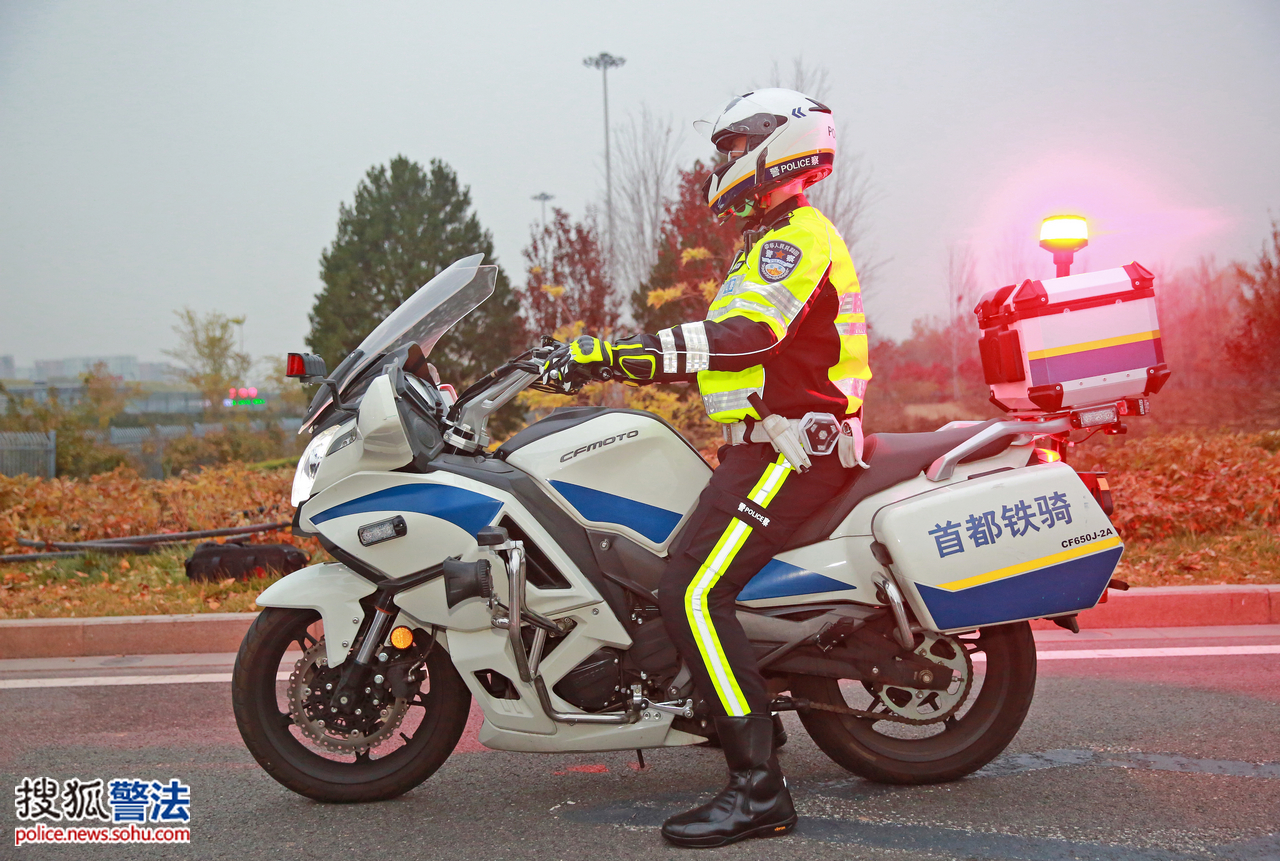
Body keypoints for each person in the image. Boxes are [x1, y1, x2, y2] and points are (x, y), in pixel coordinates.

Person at [547, 88, 871, 848]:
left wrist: (612, 350)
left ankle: (759, 789)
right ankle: (730, 713)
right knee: (680, 576)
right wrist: (596, 358)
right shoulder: (768, 240)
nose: (720, 163)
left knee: (691, 592)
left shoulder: (797, 239)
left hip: (794, 454)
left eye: (731, 148)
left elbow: (744, 336)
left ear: (772, 147)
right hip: (765, 446)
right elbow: (724, 352)